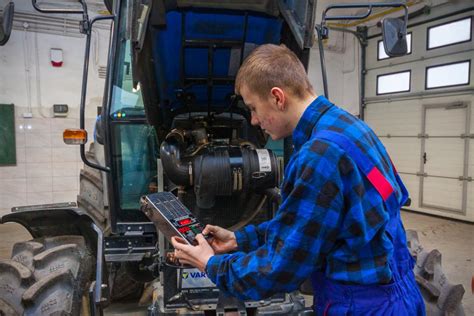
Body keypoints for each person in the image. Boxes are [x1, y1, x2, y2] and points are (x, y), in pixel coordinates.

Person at [171, 44, 426, 315]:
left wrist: (210, 264)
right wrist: (239, 239)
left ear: (278, 98)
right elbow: (314, 225)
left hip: (362, 305)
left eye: (253, 108)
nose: (255, 121)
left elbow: (280, 268)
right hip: (400, 294)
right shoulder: (353, 128)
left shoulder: (318, 157)